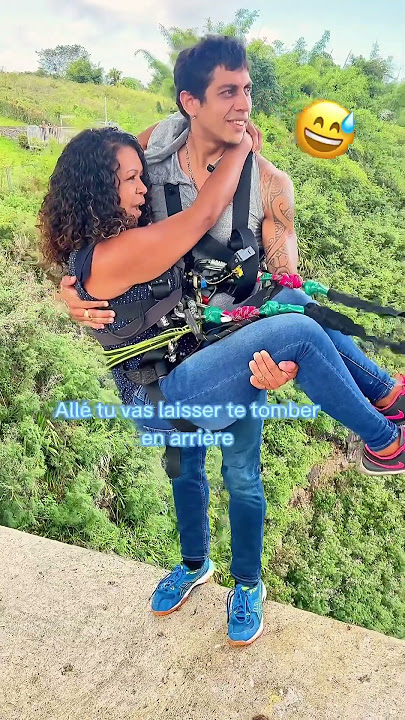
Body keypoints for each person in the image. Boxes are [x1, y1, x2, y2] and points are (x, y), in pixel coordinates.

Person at [52, 37, 405, 647]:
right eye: (229, 91)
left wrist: (287, 366)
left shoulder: (271, 185)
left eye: (248, 89)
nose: (245, 103)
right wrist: (71, 282)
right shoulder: (149, 157)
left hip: (226, 349)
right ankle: (194, 566)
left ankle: (247, 582)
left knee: (246, 466)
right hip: (160, 382)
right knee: (184, 472)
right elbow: (92, 202)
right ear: (190, 101)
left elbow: (283, 274)